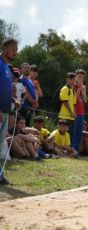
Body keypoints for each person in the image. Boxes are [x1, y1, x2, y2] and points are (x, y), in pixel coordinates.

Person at [0, 38, 18, 184]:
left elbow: (5, 89)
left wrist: (13, 100)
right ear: (5, 48)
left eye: (16, 50)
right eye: (13, 49)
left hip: (6, 110)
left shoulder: (7, 67)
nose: (15, 53)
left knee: (0, 144)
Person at [70, 69, 87, 153]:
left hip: (81, 112)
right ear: (76, 76)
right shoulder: (72, 85)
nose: (81, 79)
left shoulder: (83, 86)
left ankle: (76, 150)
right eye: (79, 77)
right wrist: (79, 88)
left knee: (79, 133)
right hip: (74, 112)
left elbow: (85, 100)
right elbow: (75, 99)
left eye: (83, 78)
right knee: (73, 131)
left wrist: (83, 90)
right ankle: (71, 150)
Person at [20, 62, 37, 126]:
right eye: (25, 68)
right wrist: (33, 102)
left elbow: (34, 91)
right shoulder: (21, 79)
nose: (27, 69)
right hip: (24, 107)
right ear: (22, 69)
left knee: (27, 125)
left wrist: (35, 101)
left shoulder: (29, 80)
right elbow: (26, 93)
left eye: (28, 68)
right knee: (23, 125)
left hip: (30, 107)